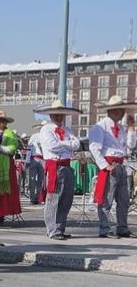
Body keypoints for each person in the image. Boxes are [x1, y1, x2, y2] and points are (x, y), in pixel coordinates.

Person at [88, 95, 137, 238]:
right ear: (112, 111)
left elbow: (130, 147)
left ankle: (122, 227)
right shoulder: (100, 126)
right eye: (119, 110)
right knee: (106, 198)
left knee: (123, 198)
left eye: (122, 110)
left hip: (121, 164)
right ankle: (104, 228)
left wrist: (131, 129)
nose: (122, 113)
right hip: (110, 163)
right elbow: (94, 148)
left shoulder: (121, 128)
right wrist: (104, 165)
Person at [32, 100, 82, 240]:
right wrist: (68, 145)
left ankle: (60, 227)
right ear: (51, 115)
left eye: (61, 115)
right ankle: (52, 229)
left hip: (66, 166)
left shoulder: (67, 130)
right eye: (56, 114)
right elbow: (52, 146)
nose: (59, 117)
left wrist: (63, 144)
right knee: (53, 198)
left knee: (66, 198)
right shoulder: (46, 129)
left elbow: (77, 144)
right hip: (54, 165)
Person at [28, 120, 48, 204]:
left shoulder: (47, 136)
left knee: (42, 180)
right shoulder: (34, 136)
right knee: (32, 179)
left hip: (43, 159)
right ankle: (33, 198)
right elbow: (29, 144)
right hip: (35, 158)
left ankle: (39, 197)